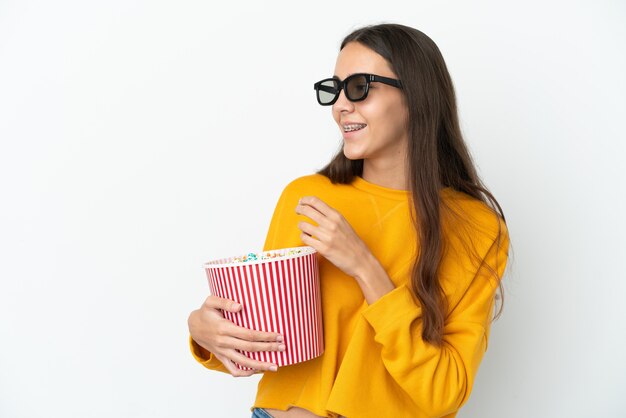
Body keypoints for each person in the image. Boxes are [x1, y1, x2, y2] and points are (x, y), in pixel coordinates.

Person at [188, 23, 511, 418]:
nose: (341, 105)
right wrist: (204, 332)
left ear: (417, 94)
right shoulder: (308, 198)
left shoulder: (477, 228)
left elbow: (443, 393)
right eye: (335, 89)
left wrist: (363, 265)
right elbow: (267, 342)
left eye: (359, 87)